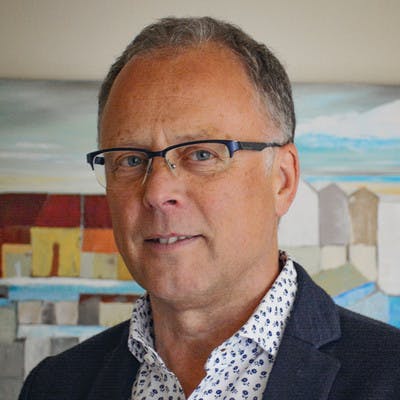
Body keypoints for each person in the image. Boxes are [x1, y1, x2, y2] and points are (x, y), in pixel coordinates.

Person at [19, 17, 400, 400]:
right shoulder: (53, 386)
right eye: (131, 160)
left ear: (282, 180)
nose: (157, 191)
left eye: (202, 154)